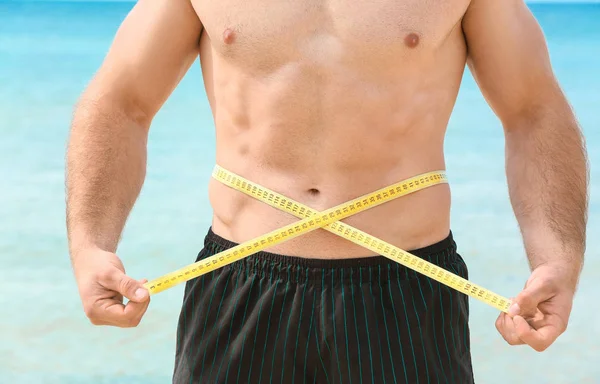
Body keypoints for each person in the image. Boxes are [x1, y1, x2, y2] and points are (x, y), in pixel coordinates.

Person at [65, 0, 588, 382]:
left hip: (405, 287)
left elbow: (533, 111)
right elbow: (123, 101)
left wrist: (557, 260)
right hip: (240, 285)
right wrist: (90, 246)